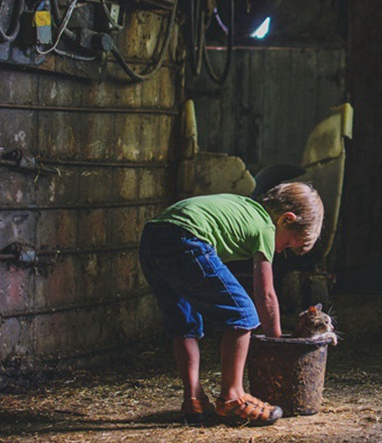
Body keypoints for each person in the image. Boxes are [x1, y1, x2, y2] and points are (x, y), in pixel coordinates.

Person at [138, 182, 324, 427]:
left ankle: (193, 398)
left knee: (185, 323)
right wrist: (277, 344)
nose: (281, 251)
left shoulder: (243, 206)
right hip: (187, 237)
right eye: (288, 244)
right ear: (286, 219)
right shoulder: (266, 226)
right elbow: (266, 293)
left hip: (153, 237)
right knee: (243, 314)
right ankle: (232, 395)